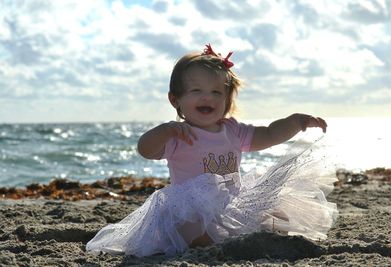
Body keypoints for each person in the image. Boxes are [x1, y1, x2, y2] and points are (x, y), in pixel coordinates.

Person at [86, 44, 338, 257]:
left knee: (275, 215)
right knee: (191, 229)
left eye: (217, 92)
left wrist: (295, 122)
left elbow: (268, 134)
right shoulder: (179, 134)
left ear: (228, 99)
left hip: (233, 200)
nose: (208, 98)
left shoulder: (232, 130)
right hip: (189, 207)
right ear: (176, 100)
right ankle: (216, 246)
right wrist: (163, 131)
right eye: (197, 91)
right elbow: (145, 149)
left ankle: (253, 239)